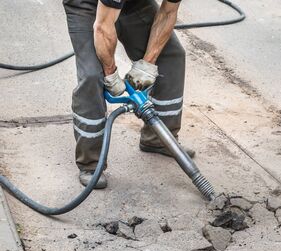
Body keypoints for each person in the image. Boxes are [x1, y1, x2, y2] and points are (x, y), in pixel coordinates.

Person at [63, 0, 195, 189]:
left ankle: (159, 140)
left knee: (171, 55)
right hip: (86, 5)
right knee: (93, 76)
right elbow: (102, 27)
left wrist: (148, 65)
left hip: (134, 4)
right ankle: (91, 164)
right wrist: (110, 74)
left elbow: (168, 12)